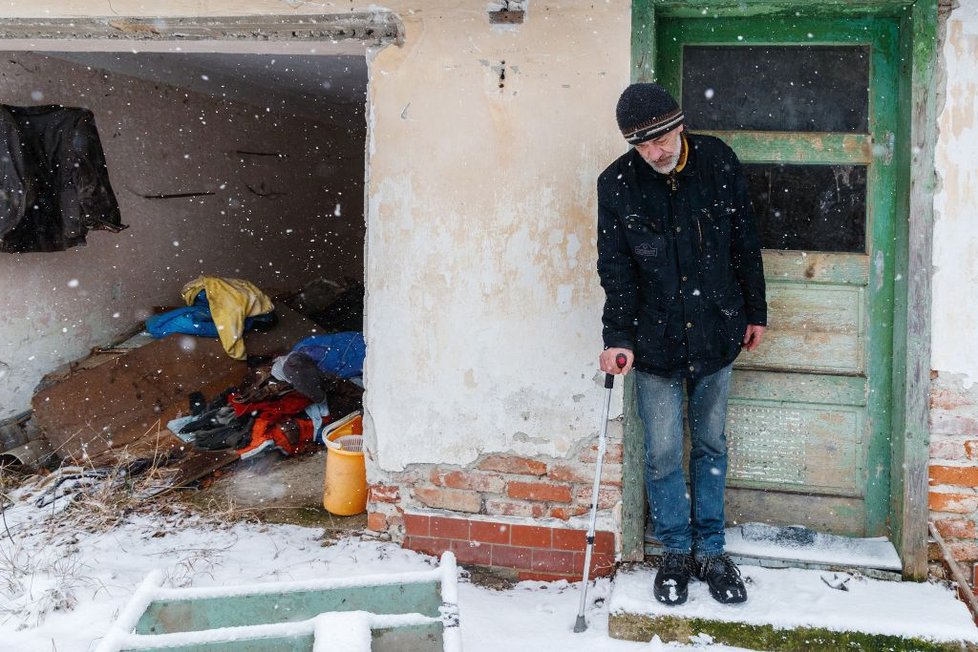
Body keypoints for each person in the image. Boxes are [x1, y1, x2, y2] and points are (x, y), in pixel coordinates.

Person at [596, 83, 767, 606]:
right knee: (665, 451)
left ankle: (711, 551)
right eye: (642, 145)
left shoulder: (717, 162)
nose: (655, 152)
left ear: (679, 125)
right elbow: (616, 269)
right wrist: (618, 338)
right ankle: (675, 550)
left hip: (717, 332)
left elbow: (744, 240)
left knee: (711, 444)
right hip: (656, 342)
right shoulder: (618, 184)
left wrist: (755, 310)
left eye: (661, 138)